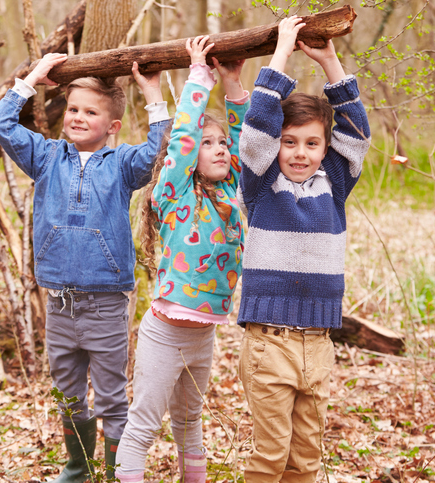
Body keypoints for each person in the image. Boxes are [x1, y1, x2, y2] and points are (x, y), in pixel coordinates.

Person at [0, 53, 170, 482]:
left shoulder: (123, 165)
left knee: (110, 398)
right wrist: (31, 78)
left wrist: (151, 93)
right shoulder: (46, 156)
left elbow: (158, 150)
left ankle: (114, 472)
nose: (77, 117)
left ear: (112, 127)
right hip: (59, 305)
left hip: (106, 303)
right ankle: (78, 468)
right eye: (73, 109)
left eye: (91, 112)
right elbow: (1, 125)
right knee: (68, 394)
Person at [237, 16, 371, 483]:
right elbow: (256, 130)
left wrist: (330, 61)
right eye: (289, 143)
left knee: (305, 460)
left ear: (323, 148)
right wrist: (282, 52)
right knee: (271, 455)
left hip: (318, 342)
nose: (299, 153)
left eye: (312, 143)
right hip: (269, 343)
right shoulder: (259, 185)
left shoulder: (332, 185)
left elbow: (356, 135)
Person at [114, 36, 249, 483]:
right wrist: (198, 76)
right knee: (144, 426)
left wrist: (233, 85)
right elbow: (182, 139)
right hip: (165, 333)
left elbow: (248, 147)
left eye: (222, 143)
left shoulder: (231, 196)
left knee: (191, 425)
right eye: (208, 143)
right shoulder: (175, 194)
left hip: (203, 335)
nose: (219, 149)